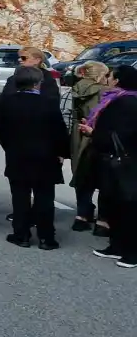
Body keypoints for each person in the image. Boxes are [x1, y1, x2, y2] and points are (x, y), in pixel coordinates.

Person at [0, 65, 71, 249]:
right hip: (45, 156)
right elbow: (59, 130)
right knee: (44, 197)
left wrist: (9, 146)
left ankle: (21, 234)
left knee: (20, 196)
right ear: (37, 84)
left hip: (17, 154)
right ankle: (46, 237)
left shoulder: (7, 102)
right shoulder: (48, 103)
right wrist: (61, 152)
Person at [83, 65, 137, 267]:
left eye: (110, 76)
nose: (107, 79)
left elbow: (113, 135)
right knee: (117, 205)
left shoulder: (121, 103)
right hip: (125, 159)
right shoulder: (125, 100)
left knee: (127, 206)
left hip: (123, 161)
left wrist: (91, 132)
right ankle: (117, 246)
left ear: (118, 80)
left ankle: (130, 252)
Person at [69, 61, 109, 233]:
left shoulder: (76, 89)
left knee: (81, 174)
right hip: (97, 133)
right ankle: (103, 220)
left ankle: (82, 214)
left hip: (78, 133)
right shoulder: (104, 92)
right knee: (104, 177)